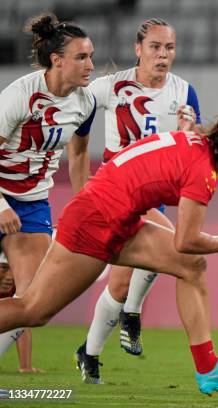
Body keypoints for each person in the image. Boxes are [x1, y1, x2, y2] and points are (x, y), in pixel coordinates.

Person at [0, 107, 218, 396]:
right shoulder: (202, 171)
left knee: (191, 266)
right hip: (95, 221)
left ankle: (208, 368)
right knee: (33, 311)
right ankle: (207, 368)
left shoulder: (198, 144)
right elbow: (186, 240)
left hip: (115, 213)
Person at [75, 17, 203, 384]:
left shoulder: (184, 91)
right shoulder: (109, 86)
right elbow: (77, 126)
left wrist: (189, 131)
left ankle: (90, 353)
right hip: (116, 192)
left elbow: (193, 148)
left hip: (153, 193)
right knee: (176, 247)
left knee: (118, 283)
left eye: (169, 48)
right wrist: (82, 183)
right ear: (138, 49)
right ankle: (132, 312)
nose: (163, 55)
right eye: (155, 47)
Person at [0, 13, 95, 367]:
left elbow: (80, 152)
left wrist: (84, 203)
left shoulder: (85, 102)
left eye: (91, 56)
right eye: (81, 57)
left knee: (35, 305)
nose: (90, 65)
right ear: (57, 60)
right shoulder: (20, 95)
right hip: (0, 197)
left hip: (32, 204)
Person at [0, 254, 43, 373]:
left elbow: (23, 322)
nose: (10, 277)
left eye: (13, 269)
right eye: (3, 268)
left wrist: (25, 367)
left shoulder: (19, 286)